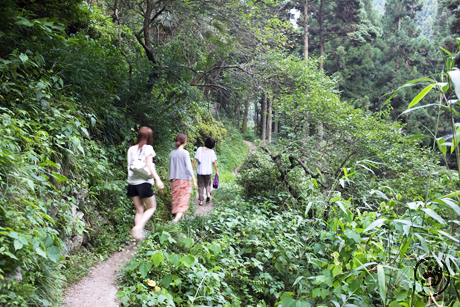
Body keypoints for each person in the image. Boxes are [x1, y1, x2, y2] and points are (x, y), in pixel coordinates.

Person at [127, 126, 164, 240]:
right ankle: (138, 228)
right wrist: (158, 179)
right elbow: (149, 164)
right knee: (152, 207)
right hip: (144, 183)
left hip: (132, 183)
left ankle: (138, 239)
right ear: (149, 137)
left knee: (139, 210)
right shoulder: (148, 148)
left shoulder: (131, 149)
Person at [169, 133, 197, 223]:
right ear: (184, 142)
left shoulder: (171, 154)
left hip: (174, 180)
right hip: (184, 180)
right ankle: (176, 220)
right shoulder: (185, 153)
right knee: (183, 200)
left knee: (177, 200)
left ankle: (181, 220)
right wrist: (194, 179)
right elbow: (189, 167)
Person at [192, 137, 218, 206]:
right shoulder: (212, 152)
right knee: (208, 184)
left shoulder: (199, 149)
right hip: (208, 171)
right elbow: (214, 162)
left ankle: (201, 201)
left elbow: (195, 159)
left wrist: (192, 168)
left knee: (200, 186)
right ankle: (208, 194)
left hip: (200, 171)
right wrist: (216, 170)